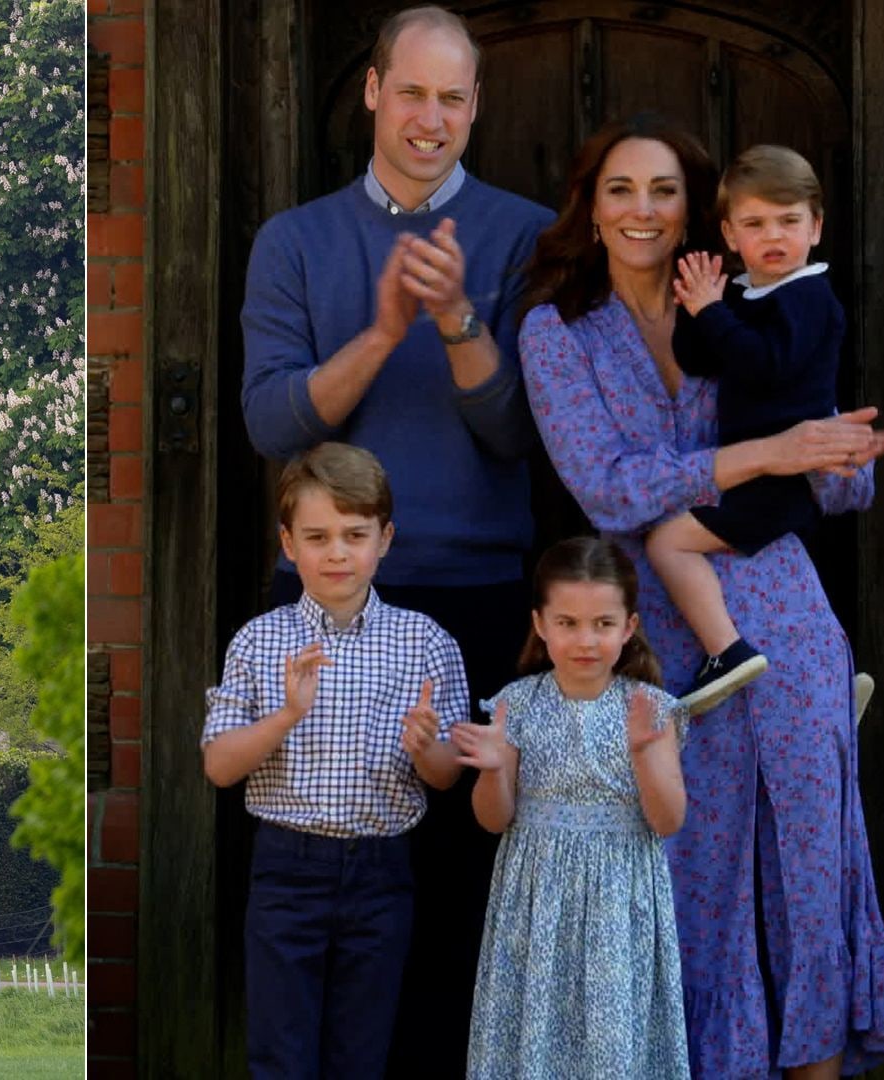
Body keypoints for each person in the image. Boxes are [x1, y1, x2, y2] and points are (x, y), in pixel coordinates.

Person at [516, 114, 884, 1079]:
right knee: (691, 873)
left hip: (784, 601)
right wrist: (769, 453)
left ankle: (818, 1065)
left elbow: (831, 472)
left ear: (700, 213)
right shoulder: (556, 329)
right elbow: (607, 487)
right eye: (620, 190)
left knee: (812, 864)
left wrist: (840, 454)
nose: (642, 210)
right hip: (657, 629)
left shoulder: (749, 296)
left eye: (663, 191)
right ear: (590, 209)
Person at [239, 9, 551, 1069]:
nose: (430, 118)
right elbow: (273, 423)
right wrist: (380, 331)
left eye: (452, 98)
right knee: (321, 887)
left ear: (476, 108)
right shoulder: (296, 240)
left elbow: (519, 433)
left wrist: (459, 319)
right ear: (372, 92)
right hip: (328, 601)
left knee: (461, 888)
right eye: (410, 93)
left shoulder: (525, 236)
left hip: (474, 596)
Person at [202, 441, 466, 1077]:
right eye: (317, 536)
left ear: (385, 538)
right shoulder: (260, 640)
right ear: (288, 544)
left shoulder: (425, 642)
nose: (338, 553)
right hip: (288, 869)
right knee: (280, 1052)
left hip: (381, 871)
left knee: (361, 1052)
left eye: (355, 534)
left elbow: (448, 775)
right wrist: (287, 715)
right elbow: (219, 766)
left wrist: (428, 747)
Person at [453, 537, 689, 1079]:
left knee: (611, 1043)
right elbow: (493, 819)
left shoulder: (650, 709)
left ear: (629, 627)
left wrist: (646, 755)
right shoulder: (518, 703)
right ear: (540, 623)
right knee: (535, 1035)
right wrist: (492, 768)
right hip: (536, 900)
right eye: (568, 623)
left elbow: (668, 821)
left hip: (618, 899)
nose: (586, 640)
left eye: (603, 624)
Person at [644, 145, 844, 714]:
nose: (773, 236)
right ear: (731, 235)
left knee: (668, 541)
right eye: (755, 224)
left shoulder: (809, 297)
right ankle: (819, 683)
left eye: (789, 221)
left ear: (817, 226)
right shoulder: (747, 294)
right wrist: (696, 305)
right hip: (754, 473)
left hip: (780, 481)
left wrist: (714, 311)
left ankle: (726, 652)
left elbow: (763, 364)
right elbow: (700, 358)